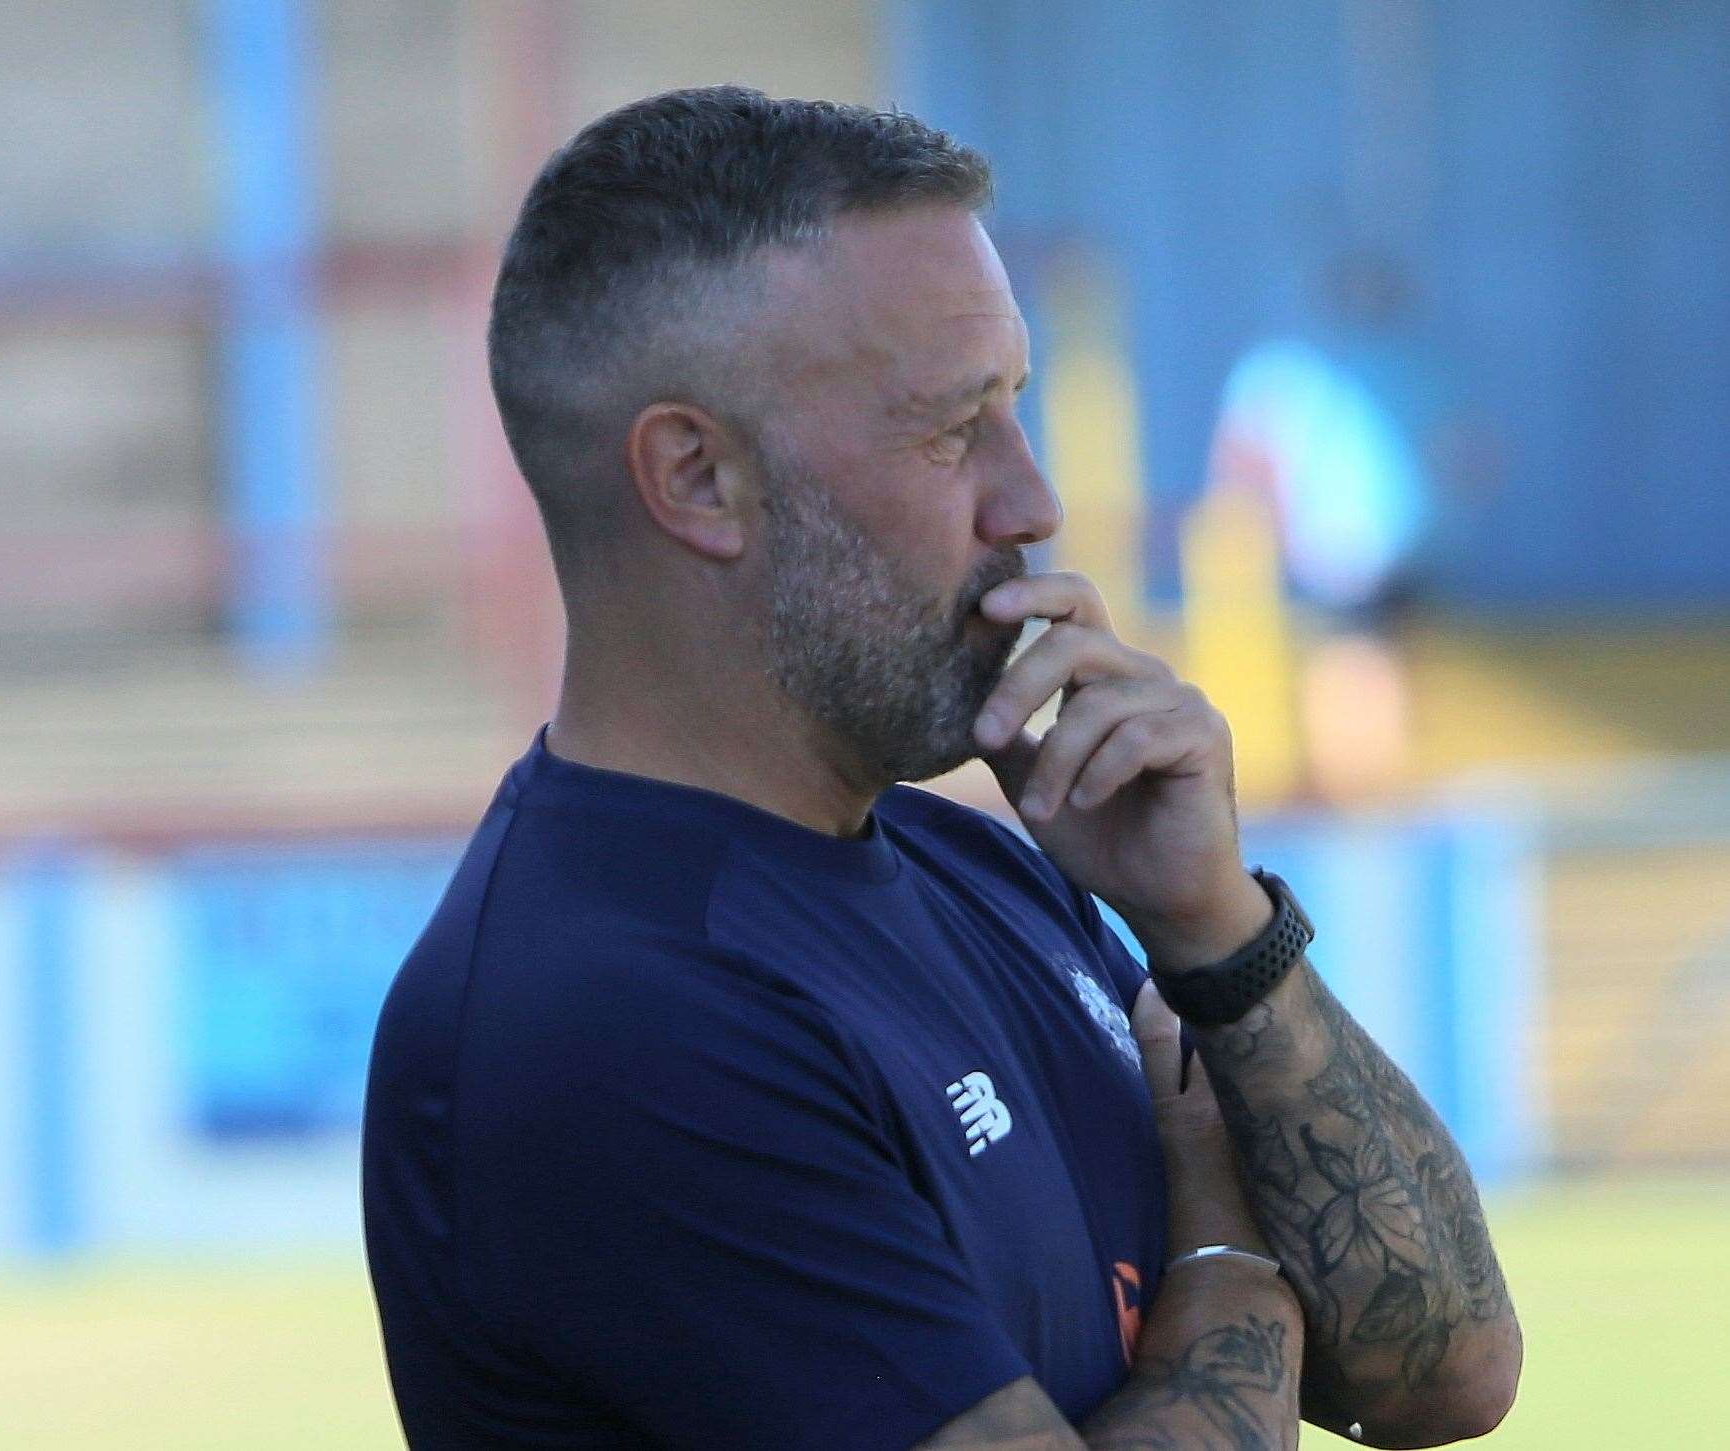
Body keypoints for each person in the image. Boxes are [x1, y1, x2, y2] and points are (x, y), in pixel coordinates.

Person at [362, 86, 1521, 1449]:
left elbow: (1442, 1376)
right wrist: (1225, 1250)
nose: (1030, 503)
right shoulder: (613, 1012)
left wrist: (1219, 936)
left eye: (1013, 410)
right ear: (696, 480)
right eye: (948, 428)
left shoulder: (976, 863)